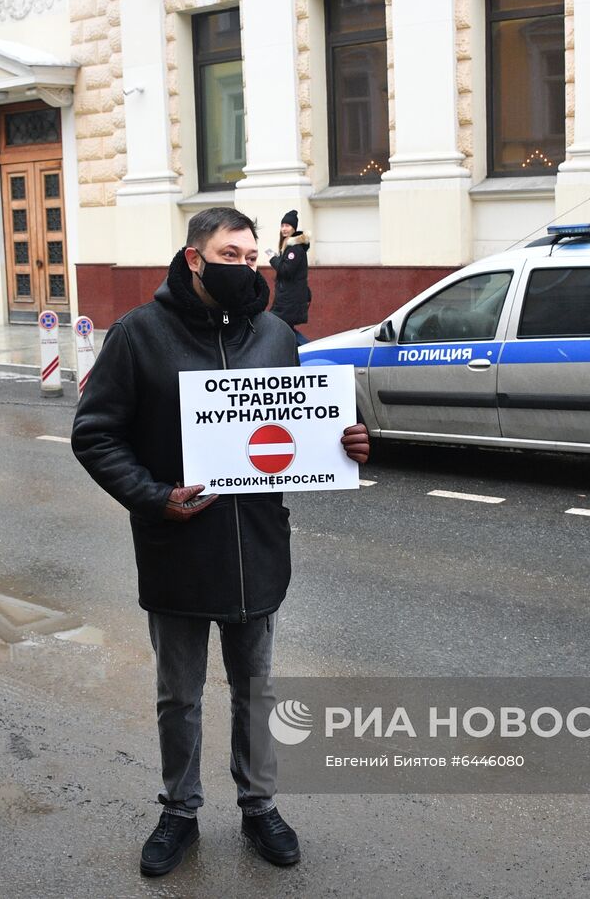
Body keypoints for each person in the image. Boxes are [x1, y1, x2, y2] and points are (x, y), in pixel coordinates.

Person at [71, 207, 369, 877]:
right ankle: (179, 810)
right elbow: (94, 434)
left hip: (257, 550)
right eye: (230, 255)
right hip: (177, 549)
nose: (246, 266)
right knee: (178, 694)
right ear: (194, 258)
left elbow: (300, 433)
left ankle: (259, 805)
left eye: (252, 255)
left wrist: (346, 443)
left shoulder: (274, 335)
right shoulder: (139, 335)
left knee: (254, 689)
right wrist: (154, 497)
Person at [268, 209, 311, 346]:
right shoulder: (289, 247)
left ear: (294, 228)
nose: (284, 229)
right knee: (286, 329)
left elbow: (286, 271)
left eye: (287, 226)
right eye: (282, 225)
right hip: (287, 298)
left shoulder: (295, 249)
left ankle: (307, 348)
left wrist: (273, 259)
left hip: (290, 300)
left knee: (276, 325)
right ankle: (304, 349)